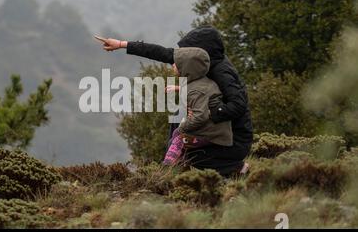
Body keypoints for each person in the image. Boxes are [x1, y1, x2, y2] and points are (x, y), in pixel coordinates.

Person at [95, 26, 253, 176]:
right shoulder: (198, 61)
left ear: (201, 52)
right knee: (178, 118)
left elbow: (239, 105)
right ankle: (171, 164)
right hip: (217, 129)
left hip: (234, 140)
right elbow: (162, 53)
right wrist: (122, 44)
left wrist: (209, 113)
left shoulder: (222, 72)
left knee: (186, 153)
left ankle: (235, 168)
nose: (181, 54)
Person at [163, 47, 233, 166]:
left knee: (178, 139)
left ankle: (167, 169)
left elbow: (200, 116)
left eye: (177, 63)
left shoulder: (196, 90)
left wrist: (183, 127)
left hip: (212, 134)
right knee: (176, 134)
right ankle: (180, 166)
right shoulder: (201, 81)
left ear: (187, 68)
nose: (173, 65)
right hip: (215, 129)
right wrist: (177, 88)